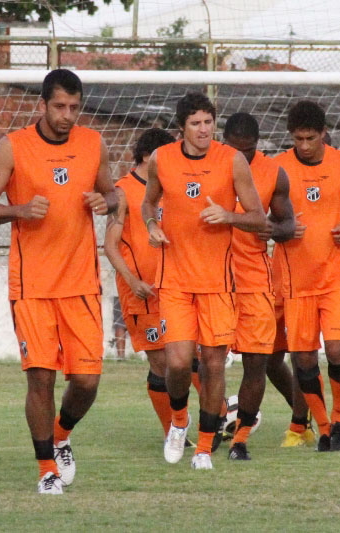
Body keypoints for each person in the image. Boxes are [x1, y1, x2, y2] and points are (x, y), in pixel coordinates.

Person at [0, 69, 117, 494]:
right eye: (59, 107)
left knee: (87, 381)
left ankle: (62, 433)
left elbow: (115, 195)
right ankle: (45, 471)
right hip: (31, 286)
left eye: (74, 107)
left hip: (81, 285)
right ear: (43, 104)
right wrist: (18, 210)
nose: (67, 115)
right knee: (41, 378)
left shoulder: (94, 144)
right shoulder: (13, 146)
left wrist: (103, 201)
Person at [141, 92, 266, 470]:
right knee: (178, 364)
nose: (203, 130)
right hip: (175, 280)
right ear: (181, 128)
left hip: (218, 283)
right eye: (195, 123)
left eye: (208, 122)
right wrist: (151, 224)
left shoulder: (232, 161)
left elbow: (258, 217)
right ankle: (180, 421)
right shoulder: (162, 159)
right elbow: (149, 202)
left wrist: (228, 216)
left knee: (213, 366)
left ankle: (203, 448)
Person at [273, 100, 340, 452]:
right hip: (296, 281)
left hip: (337, 276)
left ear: (324, 133)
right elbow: (262, 220)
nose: (303, 145)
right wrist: (282, 228)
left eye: (310, 138)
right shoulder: (277, 169)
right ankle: (324, 427)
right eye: (297, 139)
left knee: (336, 349)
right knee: (303, 359)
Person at [222, 112, 295, 460]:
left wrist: (272, 230)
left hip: (254, 281)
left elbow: (288, 224)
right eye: (237, 150)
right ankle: (203, 424)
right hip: (210, 280)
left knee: (258, 362)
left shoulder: (273, 173)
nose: (243, 158)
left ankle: (240, 440)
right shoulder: (208, 168)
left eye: (249, 151)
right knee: (201, 360)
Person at [104, 127, 180, 440]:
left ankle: (209, 420)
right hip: (141, 293)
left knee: (186, 357)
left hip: (175, 288)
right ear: (149, 155)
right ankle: (172, 432)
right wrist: (132, 281)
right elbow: (110, 245)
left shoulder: (169, 187)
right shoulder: (122, 191)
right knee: (161, 361)